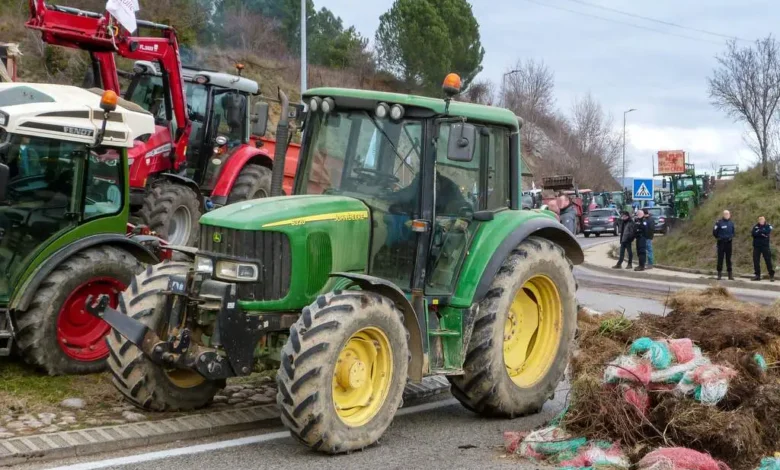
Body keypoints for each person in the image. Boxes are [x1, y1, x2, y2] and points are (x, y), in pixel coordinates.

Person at [713, 209, 735, 280]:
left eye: (728, 214)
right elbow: (714, 232)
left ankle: (730, 275)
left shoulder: (731, 223)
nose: (727, 215)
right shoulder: (719, 223)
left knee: (729, 259)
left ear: (729, 215)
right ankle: (719, 274)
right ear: (723, 215)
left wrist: (731, 237)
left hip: (729, 243)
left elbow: (733, 232)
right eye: (725, 214)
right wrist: (719, 238)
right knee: (720, 258)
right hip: (721, 243)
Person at [751, 216, 774, 282]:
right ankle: (757, 275)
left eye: (762, 220)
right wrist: (762, 233)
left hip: (765, 246)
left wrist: (760, 232)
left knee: (768, 260)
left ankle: (771, 275)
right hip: (757, 246)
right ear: (758, 221)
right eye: (760, 220)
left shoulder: (768, 226)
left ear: (764, 220)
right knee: (756, 261)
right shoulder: (755, 227)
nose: (761, 221)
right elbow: (753, 233)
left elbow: (767, 232)